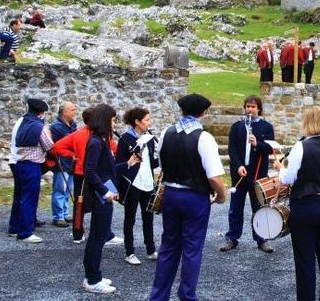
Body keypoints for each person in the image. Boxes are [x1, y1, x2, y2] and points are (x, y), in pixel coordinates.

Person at [150, 93, 227, 301]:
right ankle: (187, 295)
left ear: (182, 110)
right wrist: (221, 195)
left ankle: (158, 296)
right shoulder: (204, 138)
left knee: (168, 247)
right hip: (194, 197)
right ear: (203, 113)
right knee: (192, 249)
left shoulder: (166, 132)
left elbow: (161, 164)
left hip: (171, 193)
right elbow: (214, 177)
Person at [273, 106, 320, 301]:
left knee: (305, 260)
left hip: (306, 205)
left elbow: (288, 178)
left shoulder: (300, 147)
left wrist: (280, 169)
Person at [82, 103, 140, 294]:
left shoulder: (100, 140)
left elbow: (107, 170)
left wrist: (128, 164)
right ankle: (92, 279)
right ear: (105, 120)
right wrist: (105, 192)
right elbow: (89, 171)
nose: (114, 123)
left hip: (104, 195)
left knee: (98, 237)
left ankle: (94, 274)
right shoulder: (96, 142)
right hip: (101, 197)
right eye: (113, 120)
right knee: (97, 238)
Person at [52, 108, 122, 246]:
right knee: (104, 204)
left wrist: (73, 155)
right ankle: (106, 234)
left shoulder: (77, 135)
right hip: (99, 175)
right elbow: (115, 150)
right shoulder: (100, 137)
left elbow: (57, 147)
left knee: (80, 204)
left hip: (80, 174)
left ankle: (78, 234)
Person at [221, 95, 276, 253]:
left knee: (258, 207)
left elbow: (271, 149)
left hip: (258, 174)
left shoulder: (266, 127)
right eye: (247, 106)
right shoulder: (237, 126)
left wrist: (257, 144)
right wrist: (238, 166)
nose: (250, 109)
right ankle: (232, 238)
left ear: (259, 108)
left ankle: (261, 239)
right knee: (235, 207)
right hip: (239, 174)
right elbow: (232, 149)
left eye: (253, 107)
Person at [116, 107, 159, 265]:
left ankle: (150, 249)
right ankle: (129, 251)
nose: (149, 122)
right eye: (147, 120)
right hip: (133, 183)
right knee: (130, 218)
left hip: (147, 182)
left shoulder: (149, 138)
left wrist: (163, 157)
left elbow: (151, 163)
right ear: (137, 122)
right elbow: (119, 164)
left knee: (148, 217)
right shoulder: (125, 139)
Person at [12, 98, 55, 243]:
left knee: (19, 197)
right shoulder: (39, 126)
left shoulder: (24, 123)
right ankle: (25, 232)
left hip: (20, 163)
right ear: (42, 112)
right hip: (32, 165)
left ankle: (14, 228)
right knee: (29, 199)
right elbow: (49, 146)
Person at [49, 102, 77, 227]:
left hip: (71, 161)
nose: (74, 112)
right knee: (60, 189)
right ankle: (58, 216)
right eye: (71, 110)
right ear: (64, 112)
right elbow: (71, 141)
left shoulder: (72, 124)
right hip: (61, 161)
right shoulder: (56, 126)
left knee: (68, 189)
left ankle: (65, 213)